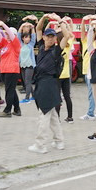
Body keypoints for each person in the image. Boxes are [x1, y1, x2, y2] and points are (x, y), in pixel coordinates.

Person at [28, 17, 72, 153]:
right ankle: (59, 142)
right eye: (49, 36)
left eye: (53, 37)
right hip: (43, 83)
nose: (50, 39)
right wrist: (44, 18)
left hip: (49, 84)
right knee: (52, 115)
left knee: (44, 115)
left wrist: (61, 23)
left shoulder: (56, 50)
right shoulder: (41, 47)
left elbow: (66, 36)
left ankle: (40, 145)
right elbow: (38, 28)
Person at [0, 20, 22, 118]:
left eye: (9, 34)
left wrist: (3, 25)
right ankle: (17, 109)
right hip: (4, 70)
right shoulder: (5, 44)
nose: (7, 35)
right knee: (11, 90)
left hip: (12, 70)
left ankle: (7, 110)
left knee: (9, 91)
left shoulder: (16, 44)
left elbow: (11, 34)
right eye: (6, 34)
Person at [18, 19, 37, 103]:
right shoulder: (20, 44)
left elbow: (34, 36)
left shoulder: (31, 45)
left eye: (29, 37)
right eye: (26, 37)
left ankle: (27, 98)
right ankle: (34, 96)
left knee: (27, 82)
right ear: (23, 38)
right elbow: (18, 35)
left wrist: (32, 28)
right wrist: (22, 26)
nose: (28, 39)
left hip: (30, 65)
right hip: (22, 65)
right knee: (26, 82)